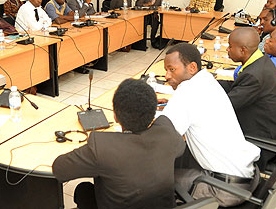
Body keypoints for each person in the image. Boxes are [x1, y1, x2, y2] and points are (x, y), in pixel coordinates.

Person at [53, 78, 185, 209]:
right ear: (153, 110)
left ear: (115, 116)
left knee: (83, 189)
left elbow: (59, 169)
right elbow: (180, 147)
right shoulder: (167, 134)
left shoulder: (102, 147)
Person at [157, 43, 261, 207]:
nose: (166, 76)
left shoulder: (187, 91)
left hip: (224, 189)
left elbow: (161, 136)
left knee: (154, 182)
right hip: (246, 176)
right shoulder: (207, 81)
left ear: (191, 67)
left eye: (171, 69)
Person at [218, 28, 276, 170]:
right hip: (265, 129)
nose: (228, 50)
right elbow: (236, 87)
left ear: (243, 50)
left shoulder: (254, 76)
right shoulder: (261, 61)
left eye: (230, 47)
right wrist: (208, 82)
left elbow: (225, 107)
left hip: (263, 142)